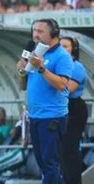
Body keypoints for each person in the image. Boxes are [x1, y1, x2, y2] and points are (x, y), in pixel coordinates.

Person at [16, 19, 72, 184]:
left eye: (40, 31)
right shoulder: (36, 54)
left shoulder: (62, 56)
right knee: (42, 163)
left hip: (52, 116)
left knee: (49, 163)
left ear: (53, 33)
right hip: (35, 116)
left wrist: (41, 68)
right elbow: (23, 86)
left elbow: (62, 85)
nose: (35, 34)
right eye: (34, 30)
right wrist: (21, 72)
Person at [60, 36, 86, 184]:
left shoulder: (76, 67)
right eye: (60, 46)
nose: (62, 49)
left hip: (74, 109)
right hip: (61, 108)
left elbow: (67, 89)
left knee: (69, 149)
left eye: (66, 46)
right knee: (60, 151)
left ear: (73, 50)